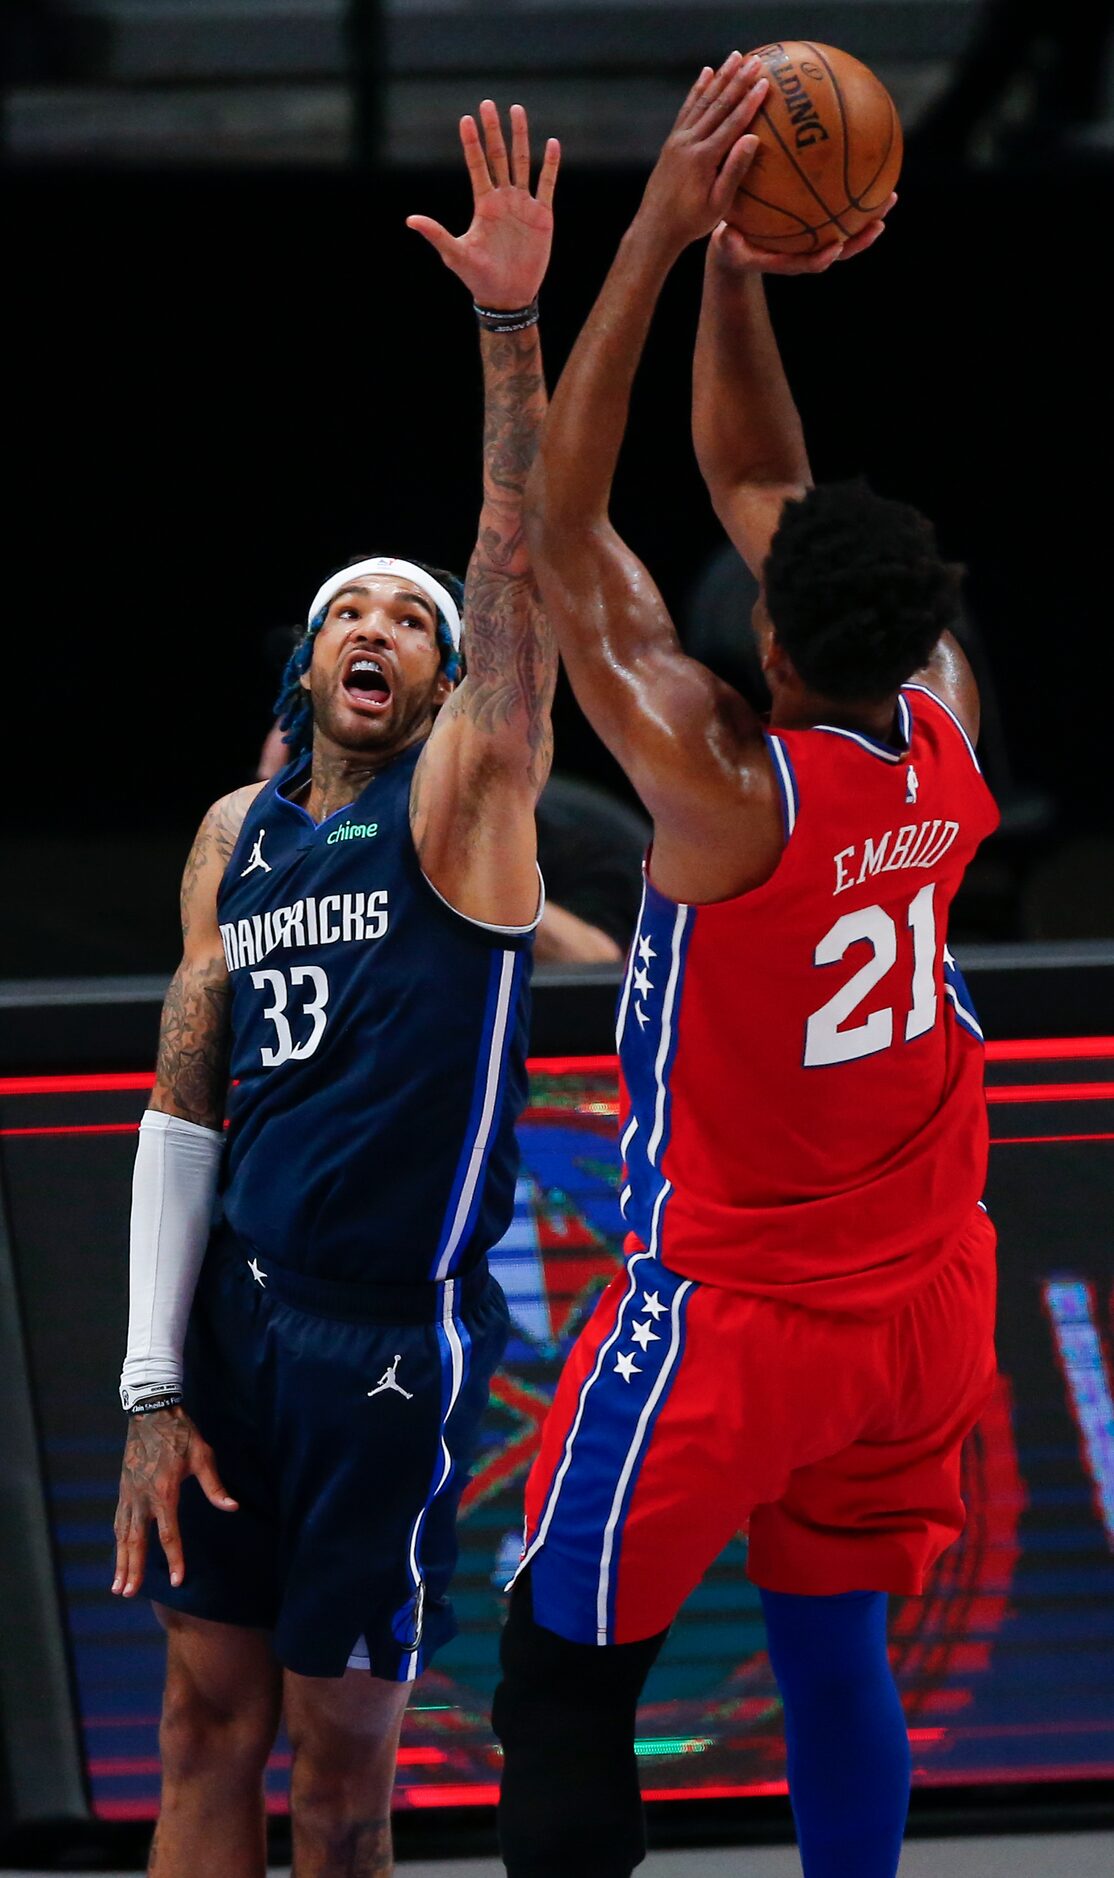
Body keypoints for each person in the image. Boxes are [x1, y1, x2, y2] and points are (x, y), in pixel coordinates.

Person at [491, 51, 1000, 1878]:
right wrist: (739, 270)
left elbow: (562, 532)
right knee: (831, 1643)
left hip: (741, 1314)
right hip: (923, 1300)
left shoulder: (722, 798)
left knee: (559, 1682)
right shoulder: (939, 728)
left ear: (768, 639)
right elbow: (768, 477)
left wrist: (652, 235)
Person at [112, 99, 559, 1878]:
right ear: (305, 659)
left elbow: (513, 562)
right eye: (350, 611)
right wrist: (152, 1382)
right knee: (195, 1730)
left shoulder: (461, 814)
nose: (381, 626)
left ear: (449, 684)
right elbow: (180, 1099)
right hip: (231, 1316)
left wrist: (506, 329)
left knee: (342, 1778)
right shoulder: (237, 832)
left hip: (386, 1340)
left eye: (413, 619)